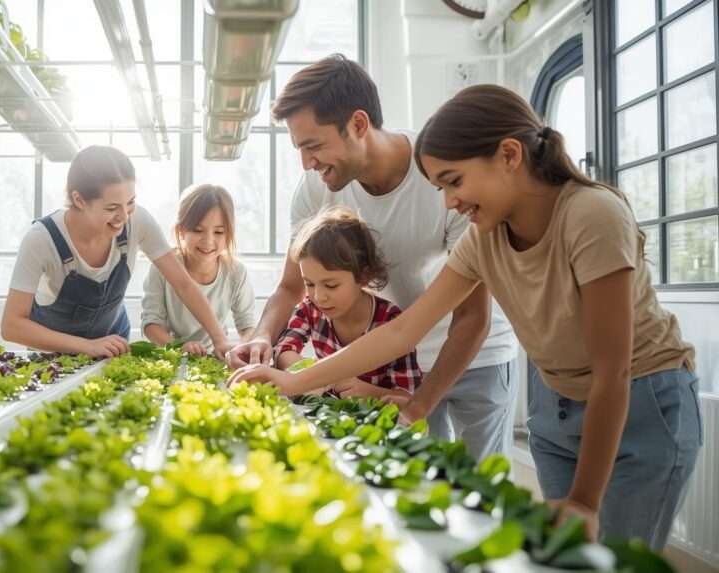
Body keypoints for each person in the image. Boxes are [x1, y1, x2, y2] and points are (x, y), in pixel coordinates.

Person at [229, 84, 702, 549]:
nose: (449, 203)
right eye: (441, 188)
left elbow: (611, 369)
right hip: (557, 404)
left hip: (638, 400)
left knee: (612, 557)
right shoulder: (485, 236)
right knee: (568, 557)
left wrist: (583, 500)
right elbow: (404, 330)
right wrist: (293, 381)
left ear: (509, 156)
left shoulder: (592, 214)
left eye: (454, 182)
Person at [226, 54, 518, 463]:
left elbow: (472, 318)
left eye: (313, 145)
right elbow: (291, 287)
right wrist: (261, 336)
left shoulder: (441, 175)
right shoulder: (315, 188)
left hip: (474, 357)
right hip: (394, 361)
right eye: (300, 149)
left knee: (480, 483)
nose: (306, 163)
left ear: (359, 124)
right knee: (417, 479)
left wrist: (421, 403)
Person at [1, 145, 233, 359]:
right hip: (52, 355)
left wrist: (219, 339)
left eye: (130, 203)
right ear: (79, 200)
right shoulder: (41, 239)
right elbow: (11, 326)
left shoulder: (137, 221)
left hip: (112, 346)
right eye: (112, 207)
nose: (123, 216)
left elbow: (183, 284)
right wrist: (88, 346)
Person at [274, 207, 422, 399]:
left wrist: (368, 392)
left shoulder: (389, 319)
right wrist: (310, 375)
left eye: (331, 285)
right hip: (330, 413)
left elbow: (408, 398)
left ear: (364, 276)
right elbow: (283, 350)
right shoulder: (310, 308)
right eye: (309, 284)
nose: (319, 296)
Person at [140, 184, 255, 355]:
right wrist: (177, 347)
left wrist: (238, 350)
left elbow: (248, 325)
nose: (208, 241)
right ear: (181, 230)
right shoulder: (163, 268)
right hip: (173, 355)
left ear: (229, 234)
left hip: (217, 356)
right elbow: (151, 324)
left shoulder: (236, 272)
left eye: (219, 232)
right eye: (198, 230)